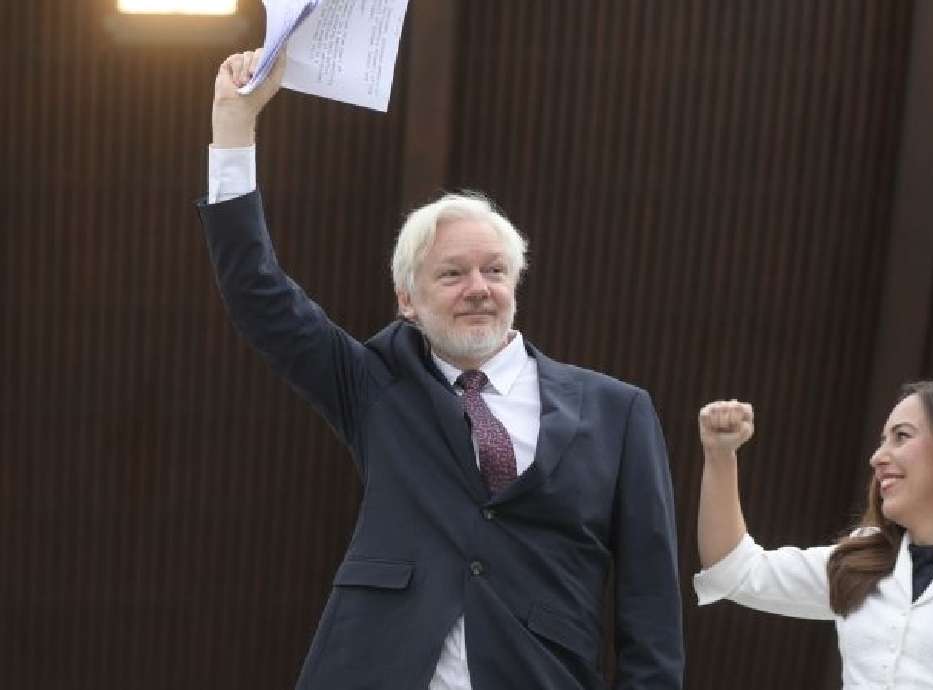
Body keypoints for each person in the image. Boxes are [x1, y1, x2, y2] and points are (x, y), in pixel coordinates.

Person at [196, 49, 683, 690]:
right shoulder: (376, 386)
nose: (477, 288)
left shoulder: (618, 411)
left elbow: (651, 603)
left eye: (494, 270)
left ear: (516, 283)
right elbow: (259, 296)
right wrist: (234, 129)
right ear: (408, 301)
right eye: (451, 274)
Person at [694, 382, 933, 688]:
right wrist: (720, 455)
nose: (877, 457)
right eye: (883, 440)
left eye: (901, 436)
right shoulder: (862, 560)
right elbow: (735, 571)